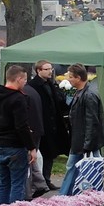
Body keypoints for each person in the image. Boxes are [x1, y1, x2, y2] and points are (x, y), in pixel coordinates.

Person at [0, 65, 37, 204]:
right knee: (17, 183)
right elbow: (21, 126)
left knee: (3, 183)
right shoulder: (18, 98)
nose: (26, 82)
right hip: (15, 145)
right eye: (25, 79)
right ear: (19, 78)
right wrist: (31, 147)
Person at [58, 63, 104, 196]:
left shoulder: (88, 95)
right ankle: (91, 195)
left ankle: (64, 197)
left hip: (84, 141)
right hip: (81, 140)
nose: (68, 80)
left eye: (71, 77)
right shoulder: (81, 93)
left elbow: (92, 122)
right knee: (85, 169)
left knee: (77, 168)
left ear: (79, 78)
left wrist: (87, 144)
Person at [31, 60, 68, 191]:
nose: (50, 71)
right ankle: (37, 180)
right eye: (46, 69)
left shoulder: (51, 84)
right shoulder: (34, 85)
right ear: (38, 70)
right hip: (41, 123)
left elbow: (58, 102)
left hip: (53, 123)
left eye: (51, 69)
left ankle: (46, 179)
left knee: (50, 154)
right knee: (39, 153)